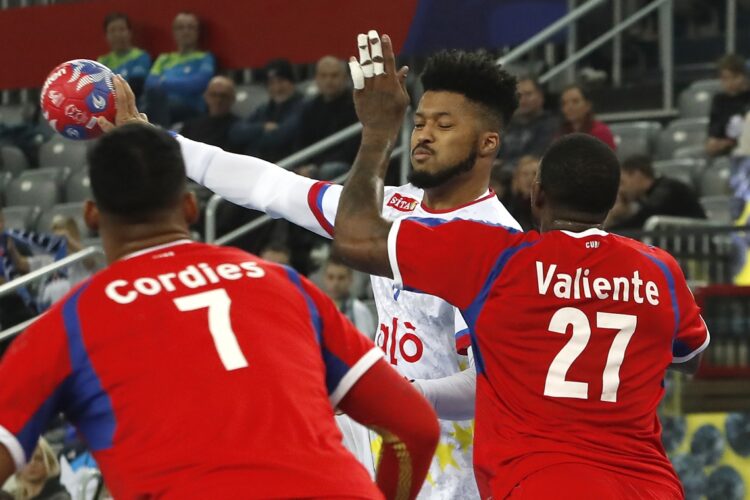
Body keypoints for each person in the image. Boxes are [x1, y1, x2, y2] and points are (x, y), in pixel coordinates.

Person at [101, 41, 521, 498]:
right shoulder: (392, 205)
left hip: (452, 467)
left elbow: (488, 387)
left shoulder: (496, 240)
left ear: (487, 143)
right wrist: (158, 142)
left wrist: (399, 394)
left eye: (444, 125)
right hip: (382, 437)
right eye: (419, 121)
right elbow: (270, 187)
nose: (423, 134)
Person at [334, 31, 709, 499]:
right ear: (612, 204)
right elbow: (690, 358)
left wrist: (377, 133)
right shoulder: (660, 271)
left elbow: (354, 235)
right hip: (650, 487)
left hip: (539, 483)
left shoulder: (497, 259)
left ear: (536, 195)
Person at [0, 122, 439, 500]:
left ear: (92, 216)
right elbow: (414, 428)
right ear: (190, 208)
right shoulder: (281, 284)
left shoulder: (69, 323)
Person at [143, 12, 215, 127]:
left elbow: (199, 84)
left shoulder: (205, 58)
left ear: (197, 32)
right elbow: (150, 84)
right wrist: (177, 85)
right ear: (174, 32)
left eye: (190, 27)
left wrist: (163, 82)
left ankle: (162, 136)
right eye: (180, 28)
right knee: (143, 106)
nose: (185, 32)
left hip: (191, 108)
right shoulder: (164, 58)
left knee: (157, 106)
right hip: (161, 104)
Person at [295, 56, 360, 180]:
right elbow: (300, 143)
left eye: (334, 76)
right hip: (312, 165)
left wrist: (315, 167)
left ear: (345, 78)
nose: (328, 81)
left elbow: (352, 149)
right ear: (316, 79)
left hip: (345, 165)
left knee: (329, 170)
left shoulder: (356, 106)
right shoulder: (310, 107)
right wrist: (304, 166)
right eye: (323, 76)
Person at [229, 59, 305, 162]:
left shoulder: (303, 106)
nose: (277, 88)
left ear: (292, 82)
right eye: (271, 83)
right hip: (259, 165)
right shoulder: (264, 109)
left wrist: (250, 139)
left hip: (287, 165)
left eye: (281, 81)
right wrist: (262, 127)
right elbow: (235, 132)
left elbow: (280, 137)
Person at [607, 154, 706, 230]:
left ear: (637, 175)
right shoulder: (645, 197)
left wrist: (609, 232)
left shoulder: (667, 189)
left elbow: (642, 221)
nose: (621, 189)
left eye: (623, 183)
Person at [497, 77, 557, 170]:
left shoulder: (551, 124)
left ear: (541, 97)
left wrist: (502, 165)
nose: (523, 100)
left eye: (528, 94)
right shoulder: (507, 124)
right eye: (519, 95)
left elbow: (536, 156)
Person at [97, 12, 151, 98]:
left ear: (130, 33)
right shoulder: (102, 61)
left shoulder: (141, 56)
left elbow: (136, 86)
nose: (117, 35)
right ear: (106, 36)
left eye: (122, 29)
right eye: (112, 30)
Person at [705, 54, 750, 157]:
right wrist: (714, 144)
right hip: (726, 154)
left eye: (734, 77)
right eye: (725, 78)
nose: (730, 83)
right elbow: (713, 136)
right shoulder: (719, 101)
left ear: (745, 76)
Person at [180, 76, 239, 152]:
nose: (218, 100)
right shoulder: (191, 126)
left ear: (232, 99)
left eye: (223, 96)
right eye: (214, 95)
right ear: (206, 96)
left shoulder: (239, 129)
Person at [323, 258, 376, 336]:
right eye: (331, 277)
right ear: (324, 278)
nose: (335, 283)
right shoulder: (316, 308)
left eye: (341, 278)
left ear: (350, 279)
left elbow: (365, 341)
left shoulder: (359, 309)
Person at [559, 83, 616, 150]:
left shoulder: (601, 132)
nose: (569, 107)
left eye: (575, 101)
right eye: (564, 103)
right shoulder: (560, 135)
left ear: (588, 105)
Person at [505, 155, 540, 231]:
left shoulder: (545, 208)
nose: (529, 178)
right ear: (517, 178)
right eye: (525, 174)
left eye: (534, 173)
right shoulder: (507, 206)